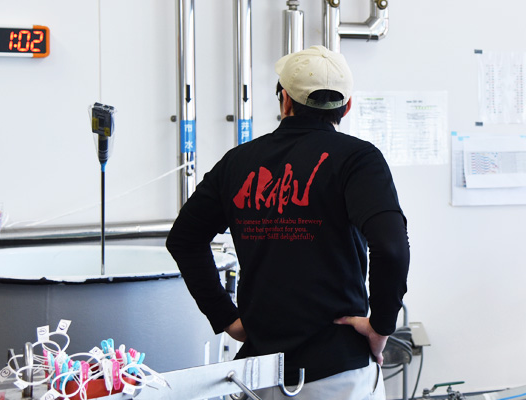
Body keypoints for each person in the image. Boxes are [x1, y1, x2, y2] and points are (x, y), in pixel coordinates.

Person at [166, 45, 409, 400]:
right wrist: (381, 327)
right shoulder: (358, 160)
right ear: (346, 107)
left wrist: (226, 317)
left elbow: (184, 239)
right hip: (338, 372)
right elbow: (391, 247)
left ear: (285, 101)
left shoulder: (237, 163)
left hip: (259, 375)